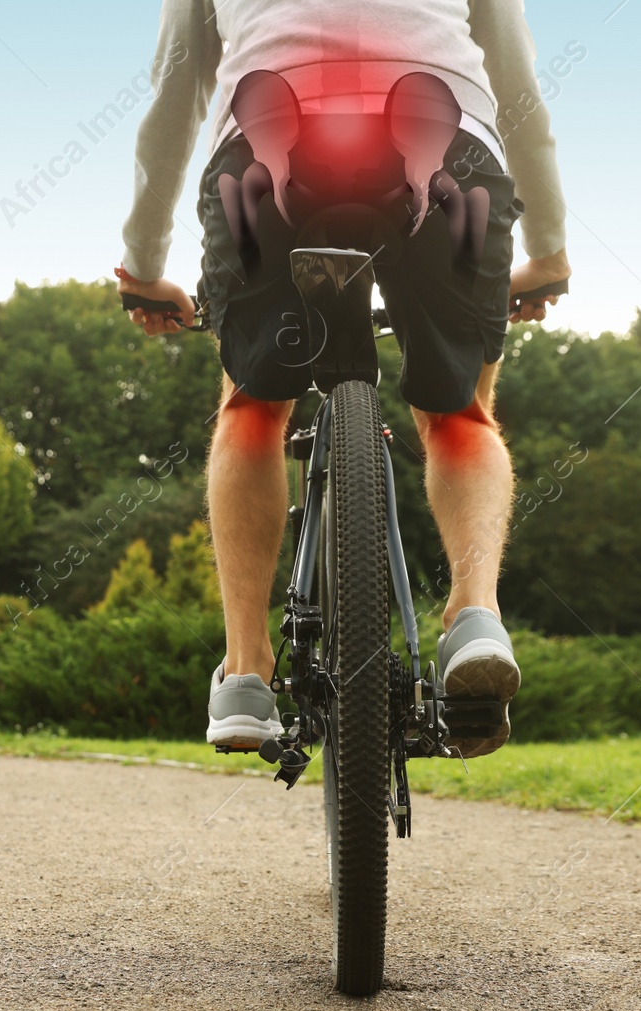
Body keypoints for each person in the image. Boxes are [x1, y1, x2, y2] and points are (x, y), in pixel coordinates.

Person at [116, 0, 572, 758]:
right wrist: (550, 249)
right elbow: (517, 86)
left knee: (253, 407)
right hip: (447, 141)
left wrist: (144, 264)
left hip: (269, 137)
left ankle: (246, 670)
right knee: (461, 414)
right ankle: (476, 618)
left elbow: (173, 97)